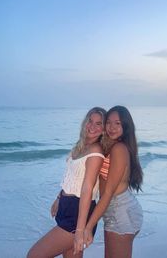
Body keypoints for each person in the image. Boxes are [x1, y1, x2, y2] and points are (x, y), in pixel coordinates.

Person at [27, 107, 106, 258]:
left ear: (103, 129)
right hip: (67, 205)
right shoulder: (81, 146)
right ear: (85, 122)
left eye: (98, 123)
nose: (92, 126)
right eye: (90, 121)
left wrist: (80, 230)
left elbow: (87, 189)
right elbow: (72, 177)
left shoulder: (95, 151)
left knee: (34, 255)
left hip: (77, 213)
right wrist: (59, 197)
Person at [74, 105, 143, 258]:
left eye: (117, 123)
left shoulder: (119, 149)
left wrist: (88, 227)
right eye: (108, 122)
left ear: (125, 126)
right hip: (116, 210)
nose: (111, 127)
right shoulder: (109, 146)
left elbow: (108, 192)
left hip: (120, 211)